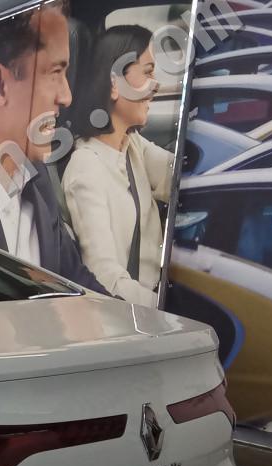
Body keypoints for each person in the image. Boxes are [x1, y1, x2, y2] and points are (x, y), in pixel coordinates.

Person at [0, 1, 109, 295]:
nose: (67, 96)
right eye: (55, 72)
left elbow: (76, 281)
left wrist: (134, 318)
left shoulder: (39, 183)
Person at [62, 25, 175, 307]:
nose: (156, 85)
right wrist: (167, 310)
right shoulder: (86, 167)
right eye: (148, 72)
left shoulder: (132, 145)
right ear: (115, 84)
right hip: (133, 314)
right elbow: (105, 278)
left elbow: (178, 180)